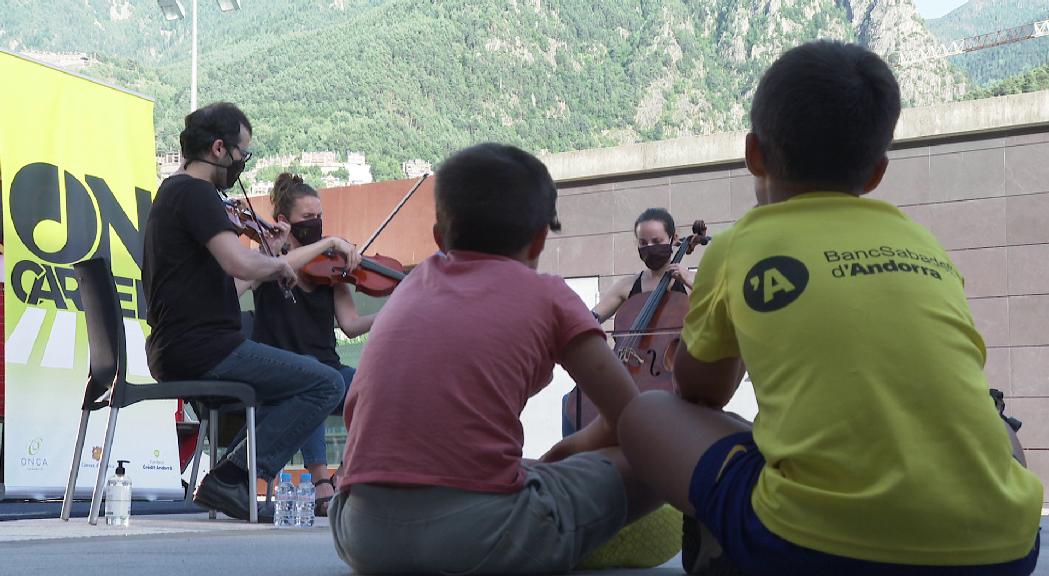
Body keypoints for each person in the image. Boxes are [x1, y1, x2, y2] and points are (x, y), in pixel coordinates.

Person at [616, 40, 1044, 576]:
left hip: (807, 548)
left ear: (754, 154)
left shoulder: (738, 245)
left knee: (648, 411)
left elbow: (700, 392)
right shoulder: (923, 243)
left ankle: (726, 545)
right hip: (1005, 549)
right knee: (991, 418)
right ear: (875, 173)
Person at [328, 142, 662, 574]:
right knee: (658, 448)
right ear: (540, 236)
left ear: (438, 238)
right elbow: (630, 420)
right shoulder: (550, 296)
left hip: (361, 534)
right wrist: (560, 455)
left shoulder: (410, 287)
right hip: (483, 538)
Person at [142, 102, 345, 522]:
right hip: (203, 348)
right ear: (219, 148)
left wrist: (266, 259)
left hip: (181, 346)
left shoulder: (174, 191)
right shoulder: (196, 193)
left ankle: (233, 474)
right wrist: (279, 265)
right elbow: (240, 263)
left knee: (299, 384)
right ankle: (234, 476)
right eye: (242, 154)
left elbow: (232, 281)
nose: (241, 164)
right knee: (325, 383)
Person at [236, 172, 374, 516]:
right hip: (279, 374)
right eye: (307, 219)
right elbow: (235, 289)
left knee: (380, 389)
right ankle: (320, 481)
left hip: (329, 368)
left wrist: (400, 311)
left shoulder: (332, 267)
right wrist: (274, 254)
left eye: (320, 218)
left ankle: (344, 475)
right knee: (312, 382)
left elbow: (352, 325)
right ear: (284, 221)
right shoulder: (267, 259)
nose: (317, 224)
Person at [562, 207, 692, 436]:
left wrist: (689, 280)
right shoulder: (628, 285)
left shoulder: (690, 283)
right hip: (626, 370)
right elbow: (591, 317)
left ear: (673, 239)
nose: (650, 247)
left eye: (657, 240)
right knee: (572, 401)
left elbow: (718, 307)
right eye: (643, 243)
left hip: (670, 376)